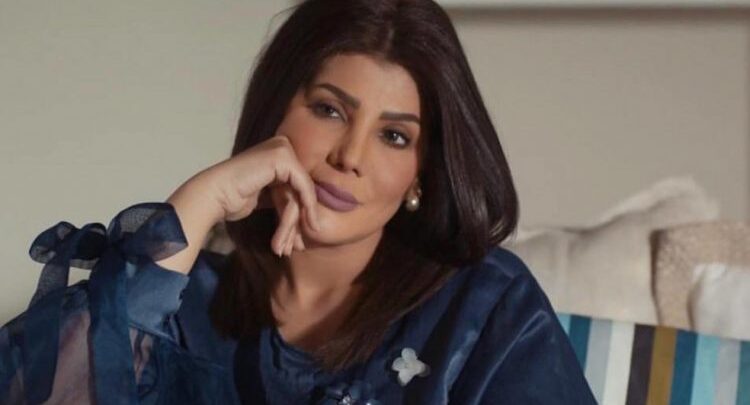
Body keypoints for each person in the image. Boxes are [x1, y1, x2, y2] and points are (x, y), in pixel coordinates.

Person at [0, 0, 597, 403]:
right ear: (277, 114)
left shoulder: (485, 307)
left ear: (422, 174)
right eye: (329, 110)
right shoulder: (182, 303)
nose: (350, 156)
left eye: (394, 136)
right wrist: (201, 200)